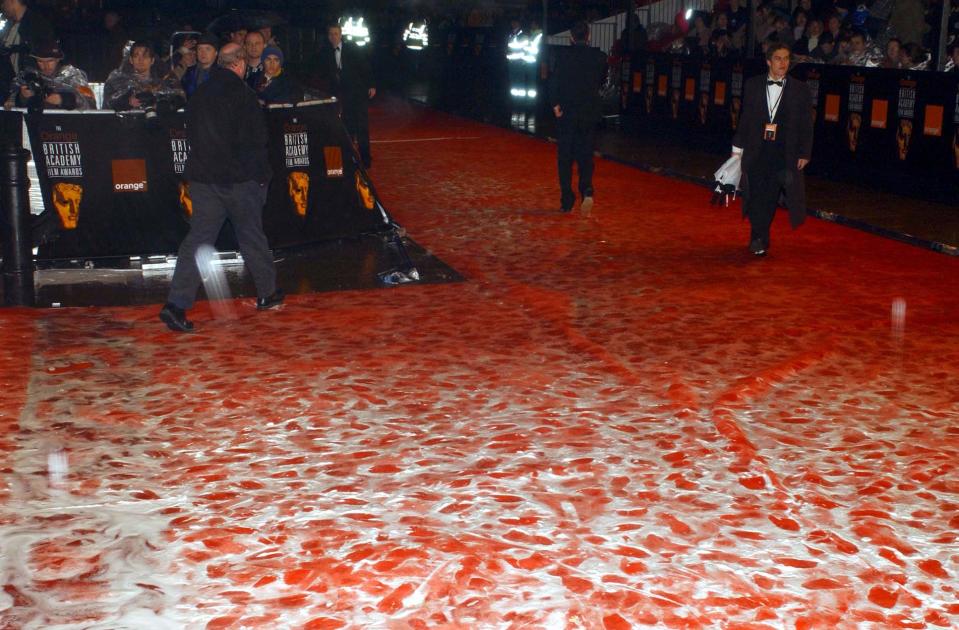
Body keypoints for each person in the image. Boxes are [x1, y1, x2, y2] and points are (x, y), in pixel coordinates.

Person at [159, 42, 283, 333]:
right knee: (251, 235)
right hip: (238, 182)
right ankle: (267, 292)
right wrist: (262, 177)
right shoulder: (245, 97)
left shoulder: (199, 94)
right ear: (240, 63)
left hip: (204, 180)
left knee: (198, 240)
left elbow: (189, 133)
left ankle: (175, 304)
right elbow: (257, 142)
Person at [731, 43, 813, 256]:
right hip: (757, 149)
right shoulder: (753, 85)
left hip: (784, 152)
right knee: (755, 194)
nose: (783, 63)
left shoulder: (800, 89)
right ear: (768, 61)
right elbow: (745, 119)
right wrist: (736, 149)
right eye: (778, 58)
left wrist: (805, 152)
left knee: (770, 196)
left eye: (786, 59)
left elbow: (806, 124)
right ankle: (758, 237)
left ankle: (759, 238)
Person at [548, 21, 607, 214]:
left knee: (565, 157)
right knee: (585, 155)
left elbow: (554, 82)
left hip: (567, 112)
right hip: (588, 113)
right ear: (588, 36)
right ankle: (587, 189)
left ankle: (567, 198)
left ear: (571, 37)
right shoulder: (598, 57)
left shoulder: (562, 56)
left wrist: (555, 104)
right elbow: (600, 81)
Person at [309, 22, 376, 168]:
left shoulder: (352, 48)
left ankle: (366, 159)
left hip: (358, 92)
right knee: (347, 126)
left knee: (362, 127)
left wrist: (371, 84)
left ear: (341, 35)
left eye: (336, 34)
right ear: (328, 36)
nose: (333, 37)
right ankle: (349, 157)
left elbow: (364, 66)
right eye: (331, 34)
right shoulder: (325, 52)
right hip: (342, 95)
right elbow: (319, 72)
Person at [4, 39, 96, 110]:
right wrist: (22, 97)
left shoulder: (74, 76)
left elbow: (90, 103)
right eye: (40, 61)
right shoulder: (27, 76)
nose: (45, 66)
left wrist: (63, 99)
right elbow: (8, 105)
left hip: (69, 127)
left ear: (58, 59)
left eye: (50, 61)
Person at [103, 40, 185, 111]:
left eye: (145, 56)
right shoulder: (119, 80)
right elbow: (110, 101)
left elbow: (179, 99)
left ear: (152, 60)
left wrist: (159, 106)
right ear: (131, 60)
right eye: (136, 56)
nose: (140, 60)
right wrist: (129, 101)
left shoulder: (164, 80)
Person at [0, 0, 55, 95]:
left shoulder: (37, 24)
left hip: (29, 89)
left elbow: (45, 56)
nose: (2, 6)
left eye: (3, 2)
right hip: (12, 88)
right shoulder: (9, 25)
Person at [182, 32, 218, 98]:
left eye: (208, 49)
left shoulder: (221, 73)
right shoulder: (190, 71)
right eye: (199, 49)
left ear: (216, 52)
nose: (203, 53)